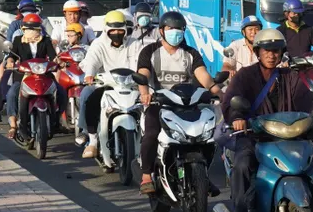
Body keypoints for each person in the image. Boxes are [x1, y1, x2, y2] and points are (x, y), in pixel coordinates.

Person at [221, 28, 313, 212]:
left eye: (276, 51)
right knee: (243, 165)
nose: (271, 55)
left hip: (287, 137)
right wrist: (237, 117)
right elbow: (231, 100)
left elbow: (306, 100)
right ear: (258, 52)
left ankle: (309, 209)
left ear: (282, 53)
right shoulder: (245, 76)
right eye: (266, 51)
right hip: (254, 135)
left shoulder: (291, 77)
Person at [136, 11, 222, 195]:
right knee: (151, 133)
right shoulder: (149, 51)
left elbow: (203, 76)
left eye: (179, 29)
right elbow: (143, 74)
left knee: (207, 136)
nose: (175, 32)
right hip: (158, 104)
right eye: (170, 28)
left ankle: (203, 176)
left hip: (187, 104)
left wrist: (219, 92)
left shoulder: (190, 53)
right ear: (161, 31)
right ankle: (146, 175)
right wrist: (144, 93)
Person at [78, 10, 140, 159]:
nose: (116, 33)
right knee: (87, 94)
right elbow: (92, 60)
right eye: (113, 30)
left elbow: (141, 63)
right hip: (106, 84)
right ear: (106, 30)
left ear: (125, 29)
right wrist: (89, 75)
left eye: (120, 29)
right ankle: (91, 140)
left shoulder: (134, 44)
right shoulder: (99, 44)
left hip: (130, 86)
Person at [6, 13, 59, 142]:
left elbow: (53, 56)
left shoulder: (45, 40)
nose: (31, 31)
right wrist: (10, 61)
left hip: (43, 75)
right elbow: (12, 55)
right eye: (28, 28)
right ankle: (17, 124)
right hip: (23, 75)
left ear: (39, 29)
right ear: (23, 29)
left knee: (60, 91)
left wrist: (58, 62)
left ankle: (57, 120)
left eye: (34, 28)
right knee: (12, 93)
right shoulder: (18, 40)